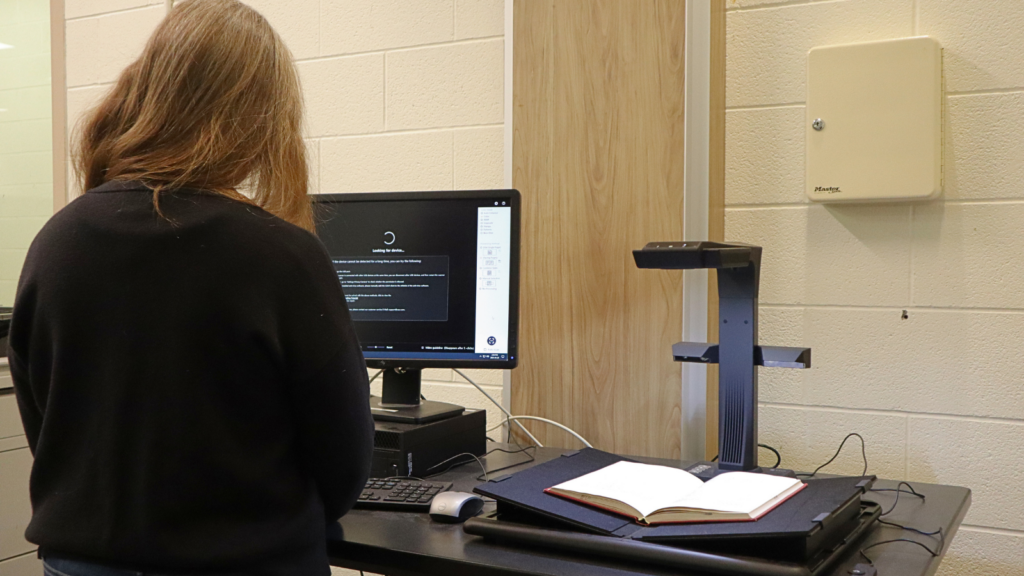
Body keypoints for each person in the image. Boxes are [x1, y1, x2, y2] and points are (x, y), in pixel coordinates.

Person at [7, 1, 373, 574]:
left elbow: (48, 427)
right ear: (260, 118)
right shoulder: (282, 256)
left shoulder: (57, 240)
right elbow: (345, 462)